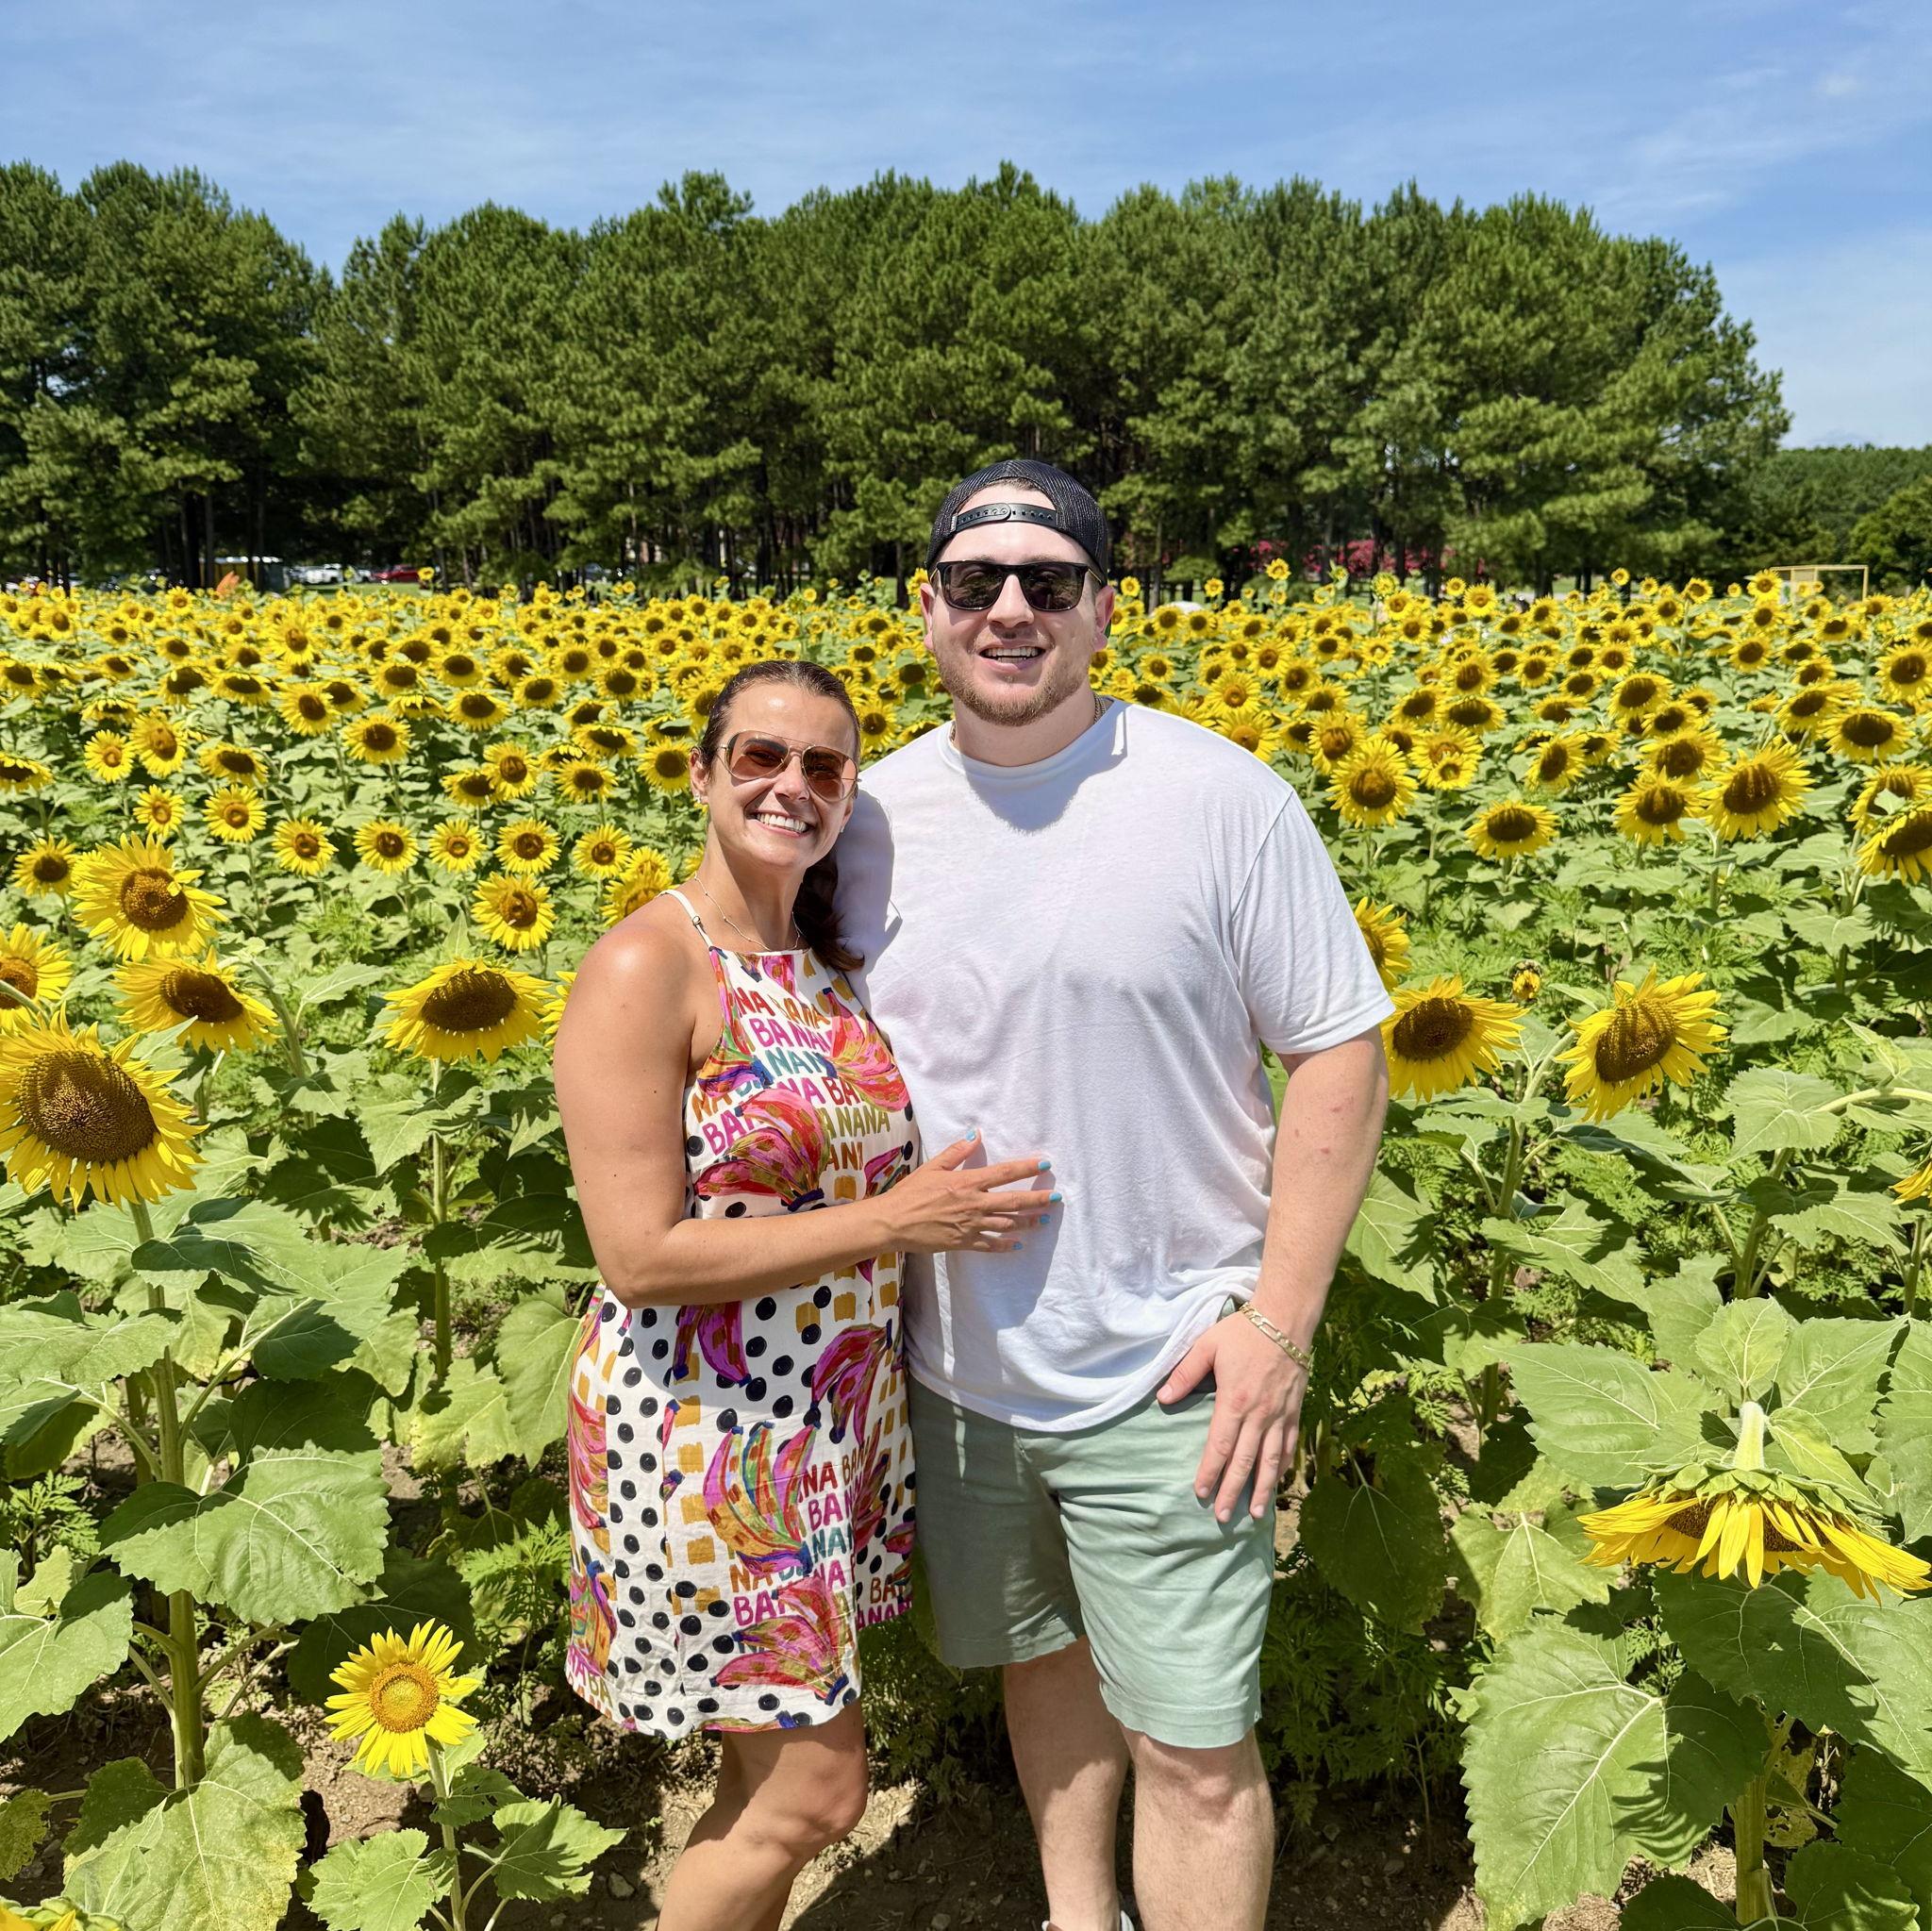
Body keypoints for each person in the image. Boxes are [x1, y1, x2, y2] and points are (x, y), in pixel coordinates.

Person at [837, 459, 1394, 1931]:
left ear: (1103, 611)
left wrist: (1278, 1328)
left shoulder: (1218, 798)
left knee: (1195, 1749)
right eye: (976, 582)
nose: (1010, 610)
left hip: (1172, 1367)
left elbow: (1340, 1051)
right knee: (1044, 1664)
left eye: (1050, 581)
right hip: (956, 1372)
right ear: (927, 609)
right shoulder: (867, 817)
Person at [553, 658, 1057, 1931]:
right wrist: (893, 1222)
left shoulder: (822, 964)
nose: (792, 785)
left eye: (824, 766)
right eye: (760, 757)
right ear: (701, 774)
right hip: (702, 1433)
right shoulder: (646, 966)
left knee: (760, 1777)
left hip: (820, 1428)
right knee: (818, 1795)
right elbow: (638, 1254)